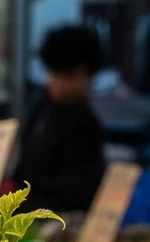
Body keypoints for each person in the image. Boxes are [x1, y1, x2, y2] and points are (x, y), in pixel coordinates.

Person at [12, 26, 107, 214]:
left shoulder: (86, 122)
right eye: (55, 75)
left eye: (71, 77)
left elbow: (82, 189)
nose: (60, 85)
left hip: (63, 220)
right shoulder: (40, 108)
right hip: (26, 215)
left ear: (90, 76)